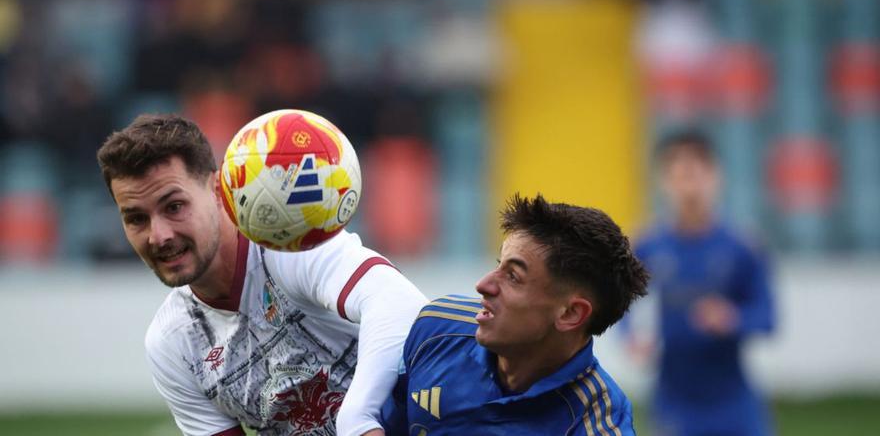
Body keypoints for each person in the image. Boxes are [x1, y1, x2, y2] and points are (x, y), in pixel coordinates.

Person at [96, 113, 427, 436]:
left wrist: (358, 420)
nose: (159, 235)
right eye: (136, 218)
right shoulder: (172, 343)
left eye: (174, 207)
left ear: (218, 189)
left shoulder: (291, 246)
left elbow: (400, 304)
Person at [379, 194, 650, 435]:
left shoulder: (595, 423)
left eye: (513, 276)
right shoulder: (435, 329)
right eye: (499, 264)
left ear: (570, 313)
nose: (483, 285)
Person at [631, 130, 775, 436]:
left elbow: (767, 316)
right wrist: (633, 337)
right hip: (674, 402)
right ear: (664, 182)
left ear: (716, 177)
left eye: (697, 174)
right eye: (679, 175)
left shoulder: (743, 247)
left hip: (734, 403)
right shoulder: (647, 247)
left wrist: (732, 318)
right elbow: (624, 309)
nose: (689, 187)